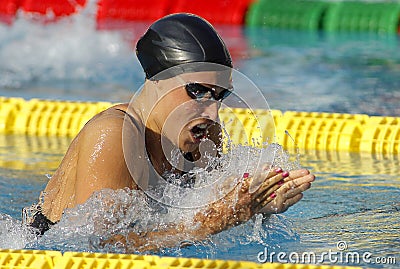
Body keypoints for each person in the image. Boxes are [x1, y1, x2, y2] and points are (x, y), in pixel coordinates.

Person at [23, 13, 315, 251]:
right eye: (198, 91)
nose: (212, 112)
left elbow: (205, 212)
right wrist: (219, 220)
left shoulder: (203, 135)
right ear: (158, 80)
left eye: (219, 96)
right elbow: (97, 249)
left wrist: (259, 206)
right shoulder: (113, 134)